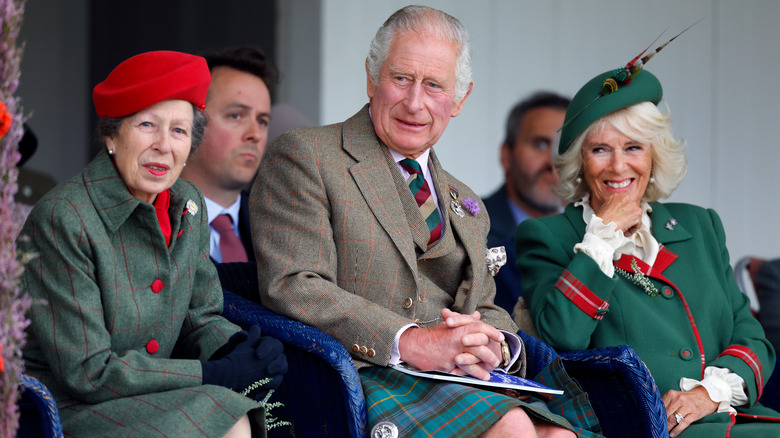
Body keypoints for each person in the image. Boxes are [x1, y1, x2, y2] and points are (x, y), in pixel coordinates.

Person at [251, 5, 599, 438]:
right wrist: (412, 340)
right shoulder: (308, 155)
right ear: (371, 77)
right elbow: (294, 283)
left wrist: (496, 345)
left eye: (434, 85)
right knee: (512, 427)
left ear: (460, 98)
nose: (415, 103)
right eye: (401, 79)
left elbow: (486, 307)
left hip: (466, 381)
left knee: (560, 435)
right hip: (366, 375)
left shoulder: (466, 200)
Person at [18, 51, 287, 437]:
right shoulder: (64, 217)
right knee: (226, 414)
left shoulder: (186, 204)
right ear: (111, 135)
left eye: (179, 131)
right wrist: (213, 372)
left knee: (241, 411)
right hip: (65, 409)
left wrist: (236, 347)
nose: (164, 145)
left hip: (149, 395)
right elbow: (87, 371)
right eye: (148, 125)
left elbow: (200, 315)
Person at [515, 62, 780, 436]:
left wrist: (708, 393)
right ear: (580, 163)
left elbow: (753, 341)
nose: (619, 165)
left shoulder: (701, 226)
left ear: (654, 156)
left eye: (634, 147)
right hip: (635, 427)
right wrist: (603, 236)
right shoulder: (548, 236)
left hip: (728, 419)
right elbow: (562, 336)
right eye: (601, 149)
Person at [181, 46, 278, 263]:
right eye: (236, 115)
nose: (255, 134)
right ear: (188, 121)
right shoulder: (148, 218)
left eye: (262, 121)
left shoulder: (278, 226)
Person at [484, 91, 569, 313]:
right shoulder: (469, 226)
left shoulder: (593, 237)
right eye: (541, 145)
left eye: (565, 149)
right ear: (506, 155)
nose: (554, 163)